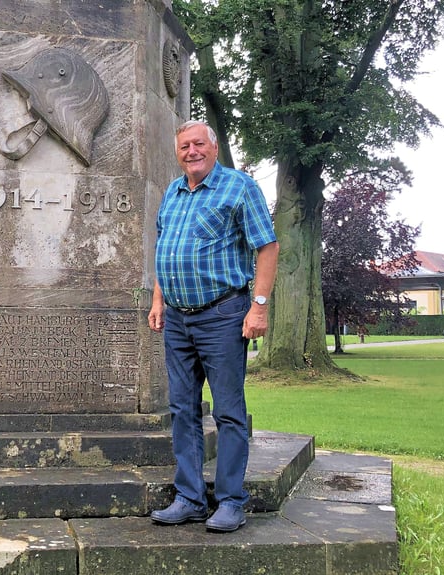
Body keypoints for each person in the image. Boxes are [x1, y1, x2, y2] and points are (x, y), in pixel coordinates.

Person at [148, 120, 279, 533]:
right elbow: (164, 251)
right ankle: (188, 497)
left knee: (228, 412)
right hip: (177, 320)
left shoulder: (239, 187)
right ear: (178, 152)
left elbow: (267, 246)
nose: (192, 151)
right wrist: (158, 299)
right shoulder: (172, 192)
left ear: (214, 147)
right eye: (184, 146)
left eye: (198, 144)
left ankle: (230, 501)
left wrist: (258, 307)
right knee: (182, 410)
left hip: (222, 315)